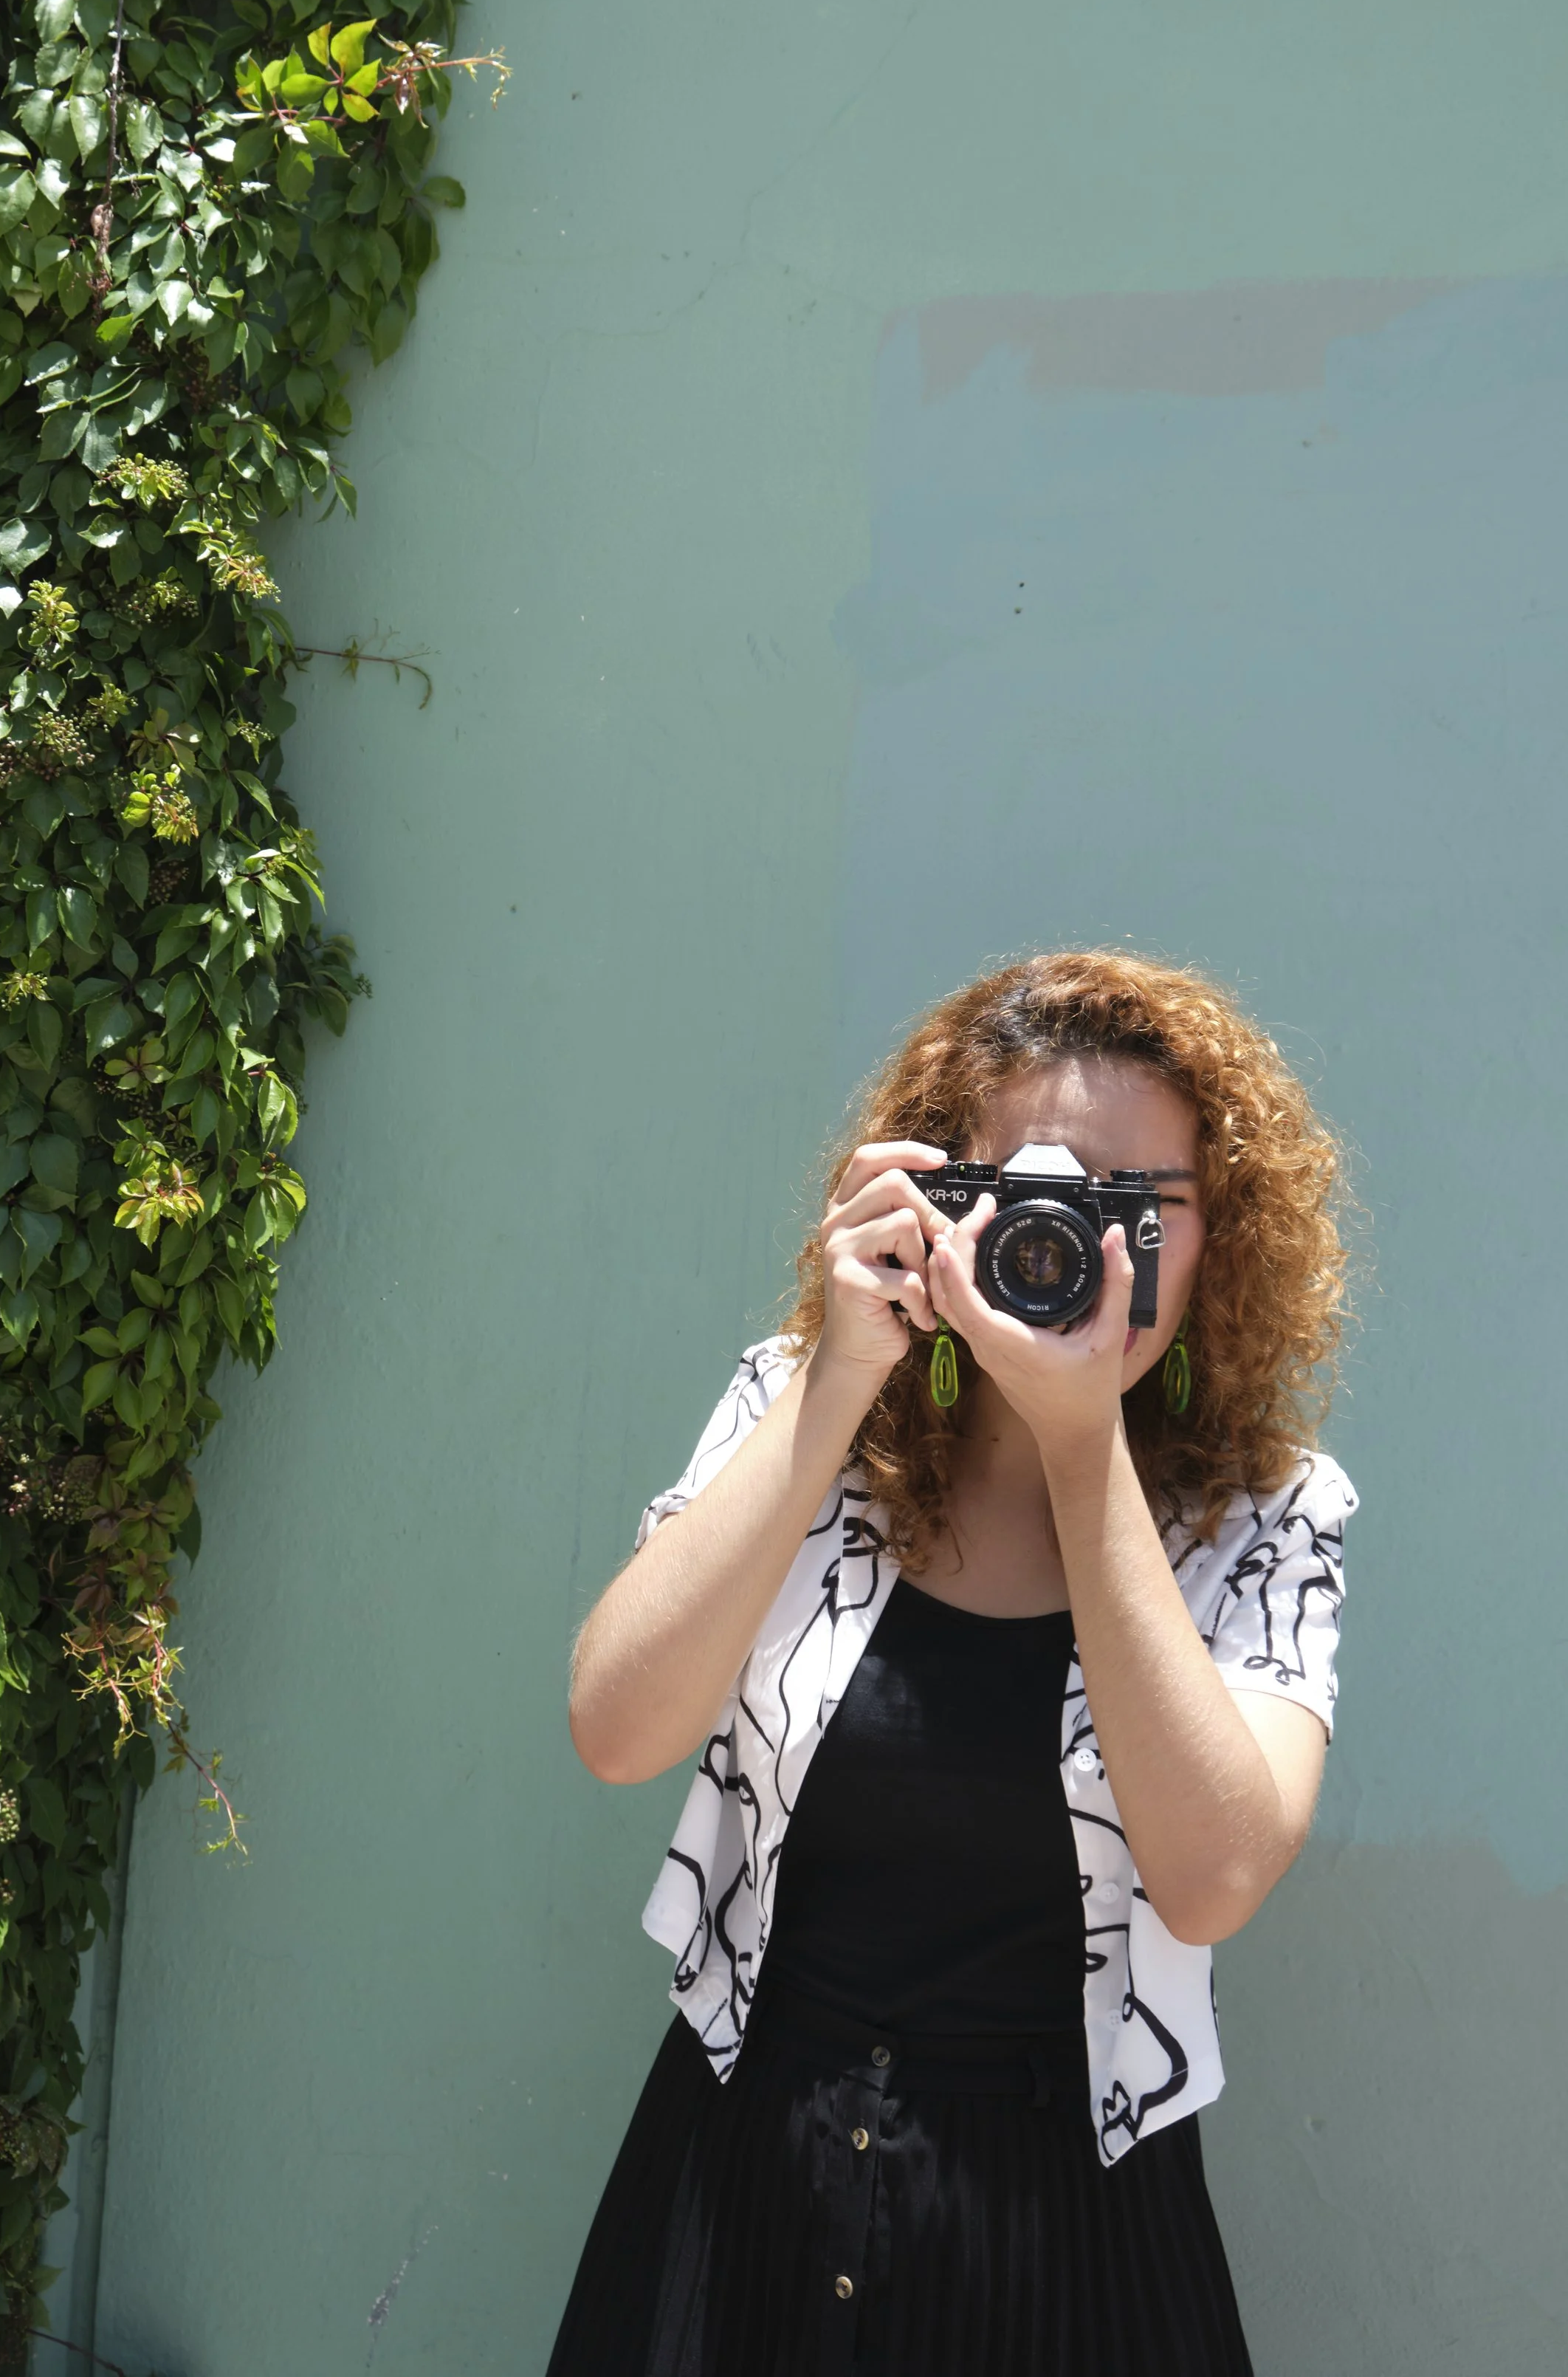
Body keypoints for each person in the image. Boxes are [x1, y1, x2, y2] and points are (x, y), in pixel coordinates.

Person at [550, 950, 1356, 2377]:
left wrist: (1081, 1439)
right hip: (746, 2193)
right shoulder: (801, 1409)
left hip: (1071, 2240)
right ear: (938, 1203)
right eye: (1034, 1194)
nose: (1072, 1240)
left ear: (1214, 1234)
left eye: (1133, 1207)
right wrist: (838, 1373)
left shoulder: (1268, 1515)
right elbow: (616, 1728)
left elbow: (1216, 1873)